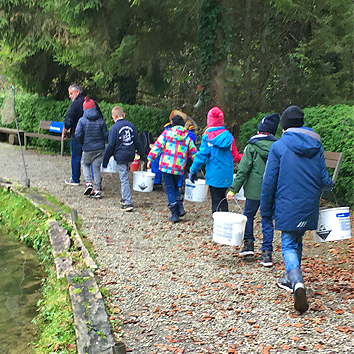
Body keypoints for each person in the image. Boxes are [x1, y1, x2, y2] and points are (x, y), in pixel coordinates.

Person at [260, 105, 333, 313]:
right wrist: (330, 187)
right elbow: (323, 179)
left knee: (289, 242)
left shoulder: (279, 147)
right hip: (309, 204)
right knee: (297, 238)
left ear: (284, 127)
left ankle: (296, 279)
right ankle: (291, 277)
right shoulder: (316, 145)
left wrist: (265, 210)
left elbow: (269, 182)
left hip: (287, 203)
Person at [226, 113, 280, 266]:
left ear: (260, 131)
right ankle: (267, 253)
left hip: (254, 191)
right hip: (271, 189)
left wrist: (233, 190)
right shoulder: (278, 147)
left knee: (248, 215)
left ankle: (248, 244)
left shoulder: (251, 146)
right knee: (267, 219)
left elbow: (243, 170)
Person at [189, 106, 243, 214]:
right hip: (226, 174)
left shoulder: (207, 138)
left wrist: (193, 170)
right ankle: (225, 221)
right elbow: (235, 156)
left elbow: (200, 157)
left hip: (214, 174)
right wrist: (245, 157)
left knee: (215, 200)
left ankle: (217, 224)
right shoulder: (229, 137)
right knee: (223, 197)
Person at [147, 115, 197, 222]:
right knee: (175, 187)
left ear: (172, 124)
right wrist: (196, 165)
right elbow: (193, 152)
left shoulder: (166, 134)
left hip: (166, 167)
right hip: (179, 168)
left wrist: (150, 160)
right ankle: (180, 208)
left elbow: (157, 147)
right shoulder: (187, 137)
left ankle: (174, 213)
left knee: (169, 189)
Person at [102, 106, 146, 211]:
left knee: (124, 178)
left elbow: (111, 145)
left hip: (120, 155)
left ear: (113, 117)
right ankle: (124, 197)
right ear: (123, 115)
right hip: (130, 154)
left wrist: (105, 161)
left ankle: (128, 202)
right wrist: (143, 156)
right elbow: (138, 142)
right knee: (125, 175)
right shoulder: (131, 126)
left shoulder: (114, 128)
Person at [75, 97, 108, 198]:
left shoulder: (82, 120)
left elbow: (77, 134)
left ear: (84, 109)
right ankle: (97, 190)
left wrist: (82, 143)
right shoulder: (101, 120)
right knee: (96, 168)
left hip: (88, 148)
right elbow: (106, 135)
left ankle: (89, 182)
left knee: (85, 164)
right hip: (100, 148)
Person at [62, 84, 85, 185]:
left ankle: (75, 179)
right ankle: (95, 181)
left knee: (75, 158)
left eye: (71, 93)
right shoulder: (89, 101)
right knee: (92, 159)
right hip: (89, 136)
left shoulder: (75, 104)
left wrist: (64, 131)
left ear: (77, 92)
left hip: (76, 135)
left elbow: (69, 119)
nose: (70, 96)